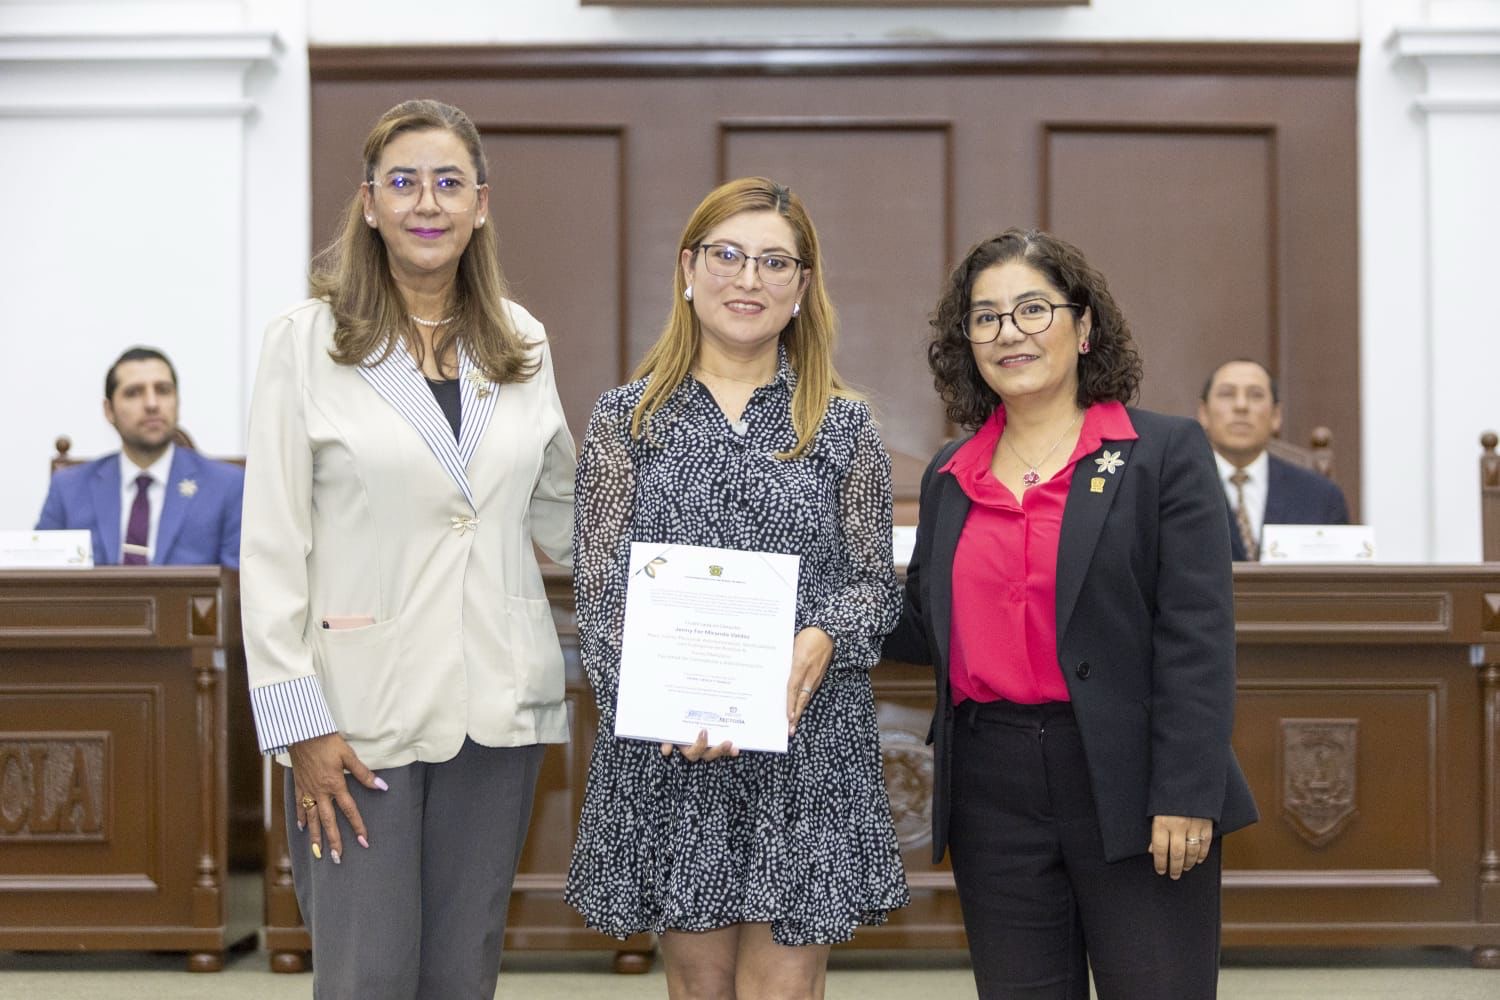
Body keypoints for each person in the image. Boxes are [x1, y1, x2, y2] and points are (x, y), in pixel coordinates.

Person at [241, 99, 575, 1000]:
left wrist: (701, 553)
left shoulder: (522, 340)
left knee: (461, 972)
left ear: (480, 205)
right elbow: (272, 546)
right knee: (369, 975)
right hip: (353, 719)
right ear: (370, 203)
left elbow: (565, 515)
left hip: (497, 704)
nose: (426, 201)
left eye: (448, 182)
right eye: (403, 182)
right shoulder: (304, 343)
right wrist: (297, 722)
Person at [884, 229, 1258, 1000]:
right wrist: (804, 587)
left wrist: (1186, 792)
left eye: (1031, 309)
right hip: (994, 785)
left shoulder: (1163, 453)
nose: (1008, 332)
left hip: (1134, 778)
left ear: (1084, 327)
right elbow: (923, 627)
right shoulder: (953, 476)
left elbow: (1196, 637)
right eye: (984, 317)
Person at [565, 177, 908, 999]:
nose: (748, 279)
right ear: (689, 269)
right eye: (727, 255)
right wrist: (662, 704)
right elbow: (600, 593)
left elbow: (874, 586)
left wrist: (823, 634)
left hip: (807, 748)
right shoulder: (626, 421)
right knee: (702, 991)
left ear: (801, 288)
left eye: (774, 262)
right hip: (676, 754)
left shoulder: (843, 423)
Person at [37, 346, 243, 568]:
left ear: (178, 403)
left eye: (163, 390)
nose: (152, 404)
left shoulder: (228, 487)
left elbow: (236, 590)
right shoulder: (69, 488)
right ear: (109, 410)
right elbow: (39, 582)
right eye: (134, 393)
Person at [1198, 358, 1349, 560]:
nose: (1241, 406)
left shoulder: (1321, 496)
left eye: (1255, 395)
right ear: (1204, 413)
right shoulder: (1177, 489)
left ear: (1276, 416)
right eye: (1227, 394)